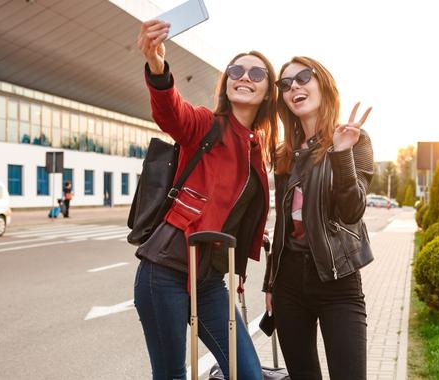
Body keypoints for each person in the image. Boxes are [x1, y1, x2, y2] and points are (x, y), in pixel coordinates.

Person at [134, 20, 278, 380]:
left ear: (268, 92)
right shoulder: (206, 124)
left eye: (256, 72)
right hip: (165, 269)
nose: (244, 76)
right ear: (227, 82)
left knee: (248, 374)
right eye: (236, 70)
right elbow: (170, 111)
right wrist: (156, 65)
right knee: (171, 376)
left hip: (211, 281)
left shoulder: (258, 151)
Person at [263, 56, 374, 380]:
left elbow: (353, 210)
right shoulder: (286, 153)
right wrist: (271, 282)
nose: (294, 86)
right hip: (289, 284)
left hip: (338, 280)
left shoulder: (355, 139)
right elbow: (283, 225)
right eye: (285, 84)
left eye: (303, 77)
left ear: (322, 84)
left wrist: (340, 154)